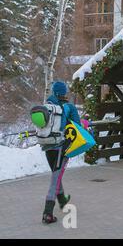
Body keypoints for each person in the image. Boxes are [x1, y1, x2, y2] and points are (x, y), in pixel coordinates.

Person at [42, 81, 81, 224]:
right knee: (55, 179)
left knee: (56, 175)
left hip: (47, 146)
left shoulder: (47, 106)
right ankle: (47, 213)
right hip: (60, 147)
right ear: (64, 92)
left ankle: (63, 200)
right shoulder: (68, 107)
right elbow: (77, 125)